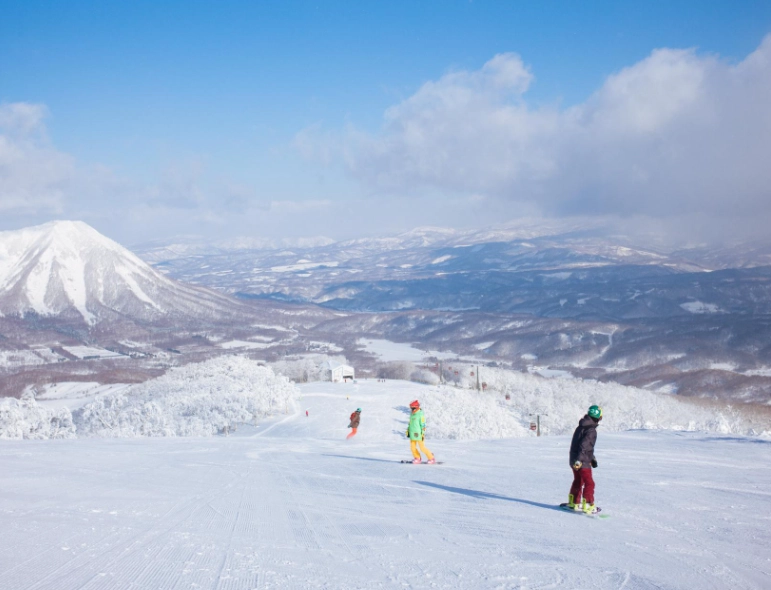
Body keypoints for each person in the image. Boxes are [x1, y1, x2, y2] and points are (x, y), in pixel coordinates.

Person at [563, 405, 602, 514]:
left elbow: (583, 446)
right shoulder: (591, 430)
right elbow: (584, 446)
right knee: (589, 483)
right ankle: (588, 505)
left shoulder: (581, 426)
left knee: (578, 480)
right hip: (581, 461)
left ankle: (573, 502)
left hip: (574, 458)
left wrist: (592, 458)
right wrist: (579, 461)